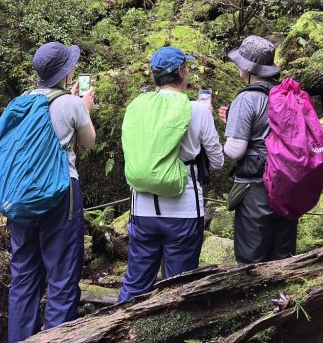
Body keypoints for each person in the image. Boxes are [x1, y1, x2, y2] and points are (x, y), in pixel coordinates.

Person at [118, 46, 224, 302]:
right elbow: (218, 161)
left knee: (136, 283)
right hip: (184, 209)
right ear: (183, 72)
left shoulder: (136, 106)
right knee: (179, 288)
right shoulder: (197, 110)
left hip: (142, 207)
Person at [7, 41, 96, 343]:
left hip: (21, 195)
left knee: (24, 277)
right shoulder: (70, 104)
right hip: (60, 192)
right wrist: (84, 108)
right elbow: (89, 142)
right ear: (68, 72)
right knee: (61, 275)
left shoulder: (20, 101)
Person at [222, 35, 297, 263]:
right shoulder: (286, 95)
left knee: (251, 260)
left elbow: (235, 150)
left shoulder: (247, 99)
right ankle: (283, 299)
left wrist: (222, 140)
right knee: (282, 257)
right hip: (286, 185)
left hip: (256, 187)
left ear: (249, 69)